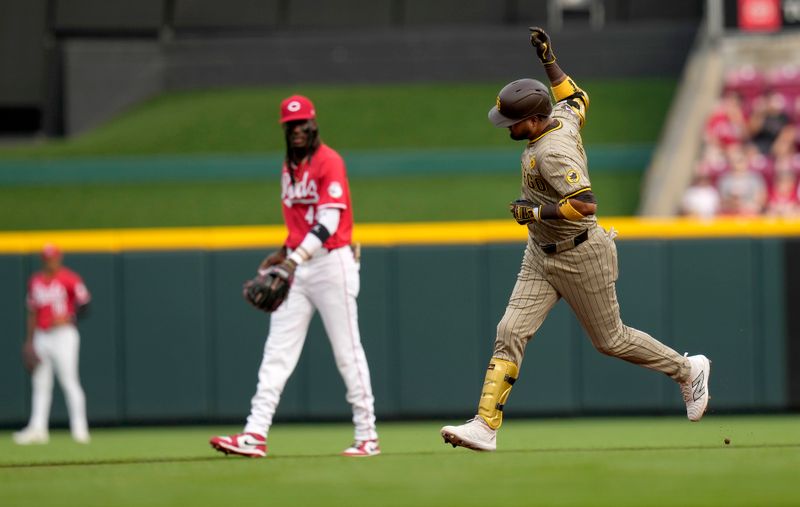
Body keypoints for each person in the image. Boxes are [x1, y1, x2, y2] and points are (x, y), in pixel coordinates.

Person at [440, 28, 711, 452]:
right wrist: (549, 60)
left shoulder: (552, 151)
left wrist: (534, 212)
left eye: (512, 122)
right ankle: (485, 425)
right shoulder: (560, 117)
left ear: (531, 119)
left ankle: (687, 369)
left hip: (580, 252)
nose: (507, 128)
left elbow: (585, 202)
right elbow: (577, 96)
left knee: (611, 340)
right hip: (540, 253)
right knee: (510, 329)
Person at [210, 95, 379, 458]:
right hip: (298, 266)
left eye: (302, 123)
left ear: (313, 125)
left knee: (347, 352)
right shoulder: (289, 167)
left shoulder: (328, 161)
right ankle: (255, 433)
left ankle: (368, 436)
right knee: (276, 353)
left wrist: (292, 259)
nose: (297, 130)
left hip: (332, 264)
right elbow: (302, 223)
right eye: (291, 125)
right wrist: (285, 253)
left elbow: (329, 220)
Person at [14, 244, 91, 445]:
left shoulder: (70, 278)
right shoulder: (35, 281)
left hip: (64, 335)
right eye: (47, 258)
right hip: (42, 335)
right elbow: (32, 312)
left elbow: (85, 305)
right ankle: (38, 429)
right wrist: (29, 342)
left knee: (69, 381)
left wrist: (68, 317)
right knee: (40, 384)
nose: (50, 261)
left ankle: (80, 430)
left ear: (59, 258)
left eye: (53, 257)